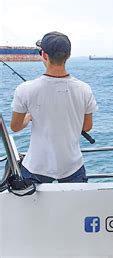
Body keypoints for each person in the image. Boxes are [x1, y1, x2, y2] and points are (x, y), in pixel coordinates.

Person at [10, 31, 98, 183]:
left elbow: (16, 126)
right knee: (74, 207)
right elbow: (87, 126)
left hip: (36, 168)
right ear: (68, 56)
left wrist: (30, 116)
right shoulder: (84, 89)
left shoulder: (25, 89)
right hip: (73, 166)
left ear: (44, 55)